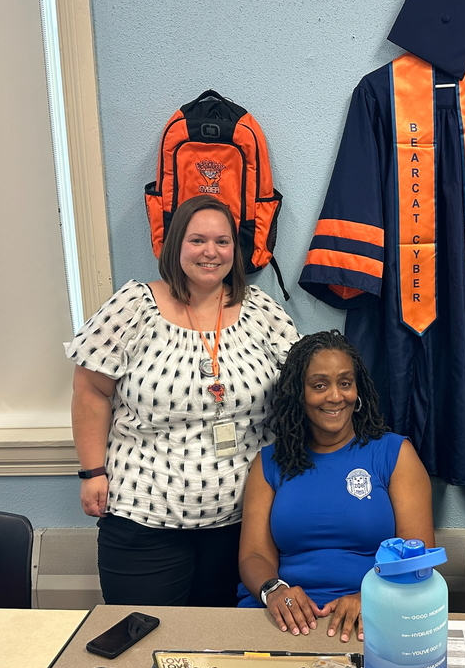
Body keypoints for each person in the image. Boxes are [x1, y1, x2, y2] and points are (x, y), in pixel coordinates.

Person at [67, 194, 299, 607]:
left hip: (240, 525)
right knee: (147, 645)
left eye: (222, 242)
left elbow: (300, 388)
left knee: (219, 653)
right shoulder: (134, 305)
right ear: (175, 246)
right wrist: (91, 472)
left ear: (236, 250)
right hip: (144, 516)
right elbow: (91, 390)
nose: (211, 252)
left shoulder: (262, 310)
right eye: (197, 240)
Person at [238, 330, 435, 641]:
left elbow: (415, 555)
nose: (335, 396)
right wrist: (273, 591)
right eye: (319, 385)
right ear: (298, 393)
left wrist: (370, 597)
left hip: (372, 613)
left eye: (345, 383)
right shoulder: (269, 462)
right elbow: (254, 555)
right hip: (281, 615)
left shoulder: (394, 454)